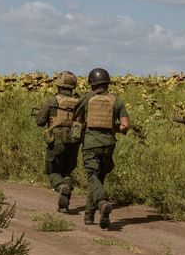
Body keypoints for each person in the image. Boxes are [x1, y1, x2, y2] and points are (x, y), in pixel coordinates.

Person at [73, 68, 130, 229]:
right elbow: (125, 125)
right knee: (98, 177)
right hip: (108, 145)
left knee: (92, 177)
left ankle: (103, 202)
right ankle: (89, 215)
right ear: (107, 83)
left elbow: (77, 119)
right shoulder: (116, 101)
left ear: (91, 83)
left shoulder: (86, 99)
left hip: (91, 144)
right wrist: (114, 128)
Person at [35, 71, 80, 213]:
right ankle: (64, 205)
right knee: (67, 171)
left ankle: (61, 187)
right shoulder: (79, 102)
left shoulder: (53, 100)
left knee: (52, 171)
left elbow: (40, 122)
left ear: (59, 85)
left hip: (56, 141)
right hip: (74, 141)